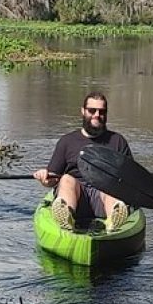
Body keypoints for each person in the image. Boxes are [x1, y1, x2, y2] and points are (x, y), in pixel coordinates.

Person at [33, 92, 131, 232]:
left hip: (104, 199)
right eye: (92, 110)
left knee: (111, 182)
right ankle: (67, 216)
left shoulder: (118, 141)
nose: (97, 115)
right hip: (76, 199)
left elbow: (131, 179)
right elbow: (52, 179)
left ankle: (113, 221)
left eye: (101, 111)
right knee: (66, 178)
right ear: (83, 111)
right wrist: (44, 178)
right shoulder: (67, 141)